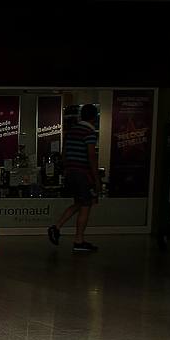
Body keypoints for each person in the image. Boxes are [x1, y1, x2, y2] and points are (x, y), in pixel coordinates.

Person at [49, 103, 101, 253]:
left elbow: (64, 153)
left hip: (71, 172)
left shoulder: (71, 132)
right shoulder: (89, 133)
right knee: (86, 204)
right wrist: (96, 179)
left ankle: (56, 227)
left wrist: (66, 170)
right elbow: (91, 156)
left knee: (79, 202)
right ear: (94, 117)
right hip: (82, 174)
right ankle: (79, 240)